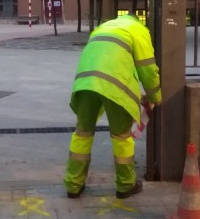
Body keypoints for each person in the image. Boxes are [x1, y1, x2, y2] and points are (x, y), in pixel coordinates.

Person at [64, 13, 161, 199]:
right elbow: (147, 69)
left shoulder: (103, 27)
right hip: (114, 87)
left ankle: (73, 184)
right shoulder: (139, 30)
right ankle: (125, 185)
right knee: (121, 136)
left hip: (86, 83)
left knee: (82, 133)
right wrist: (155, 96)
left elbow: (108, 62)